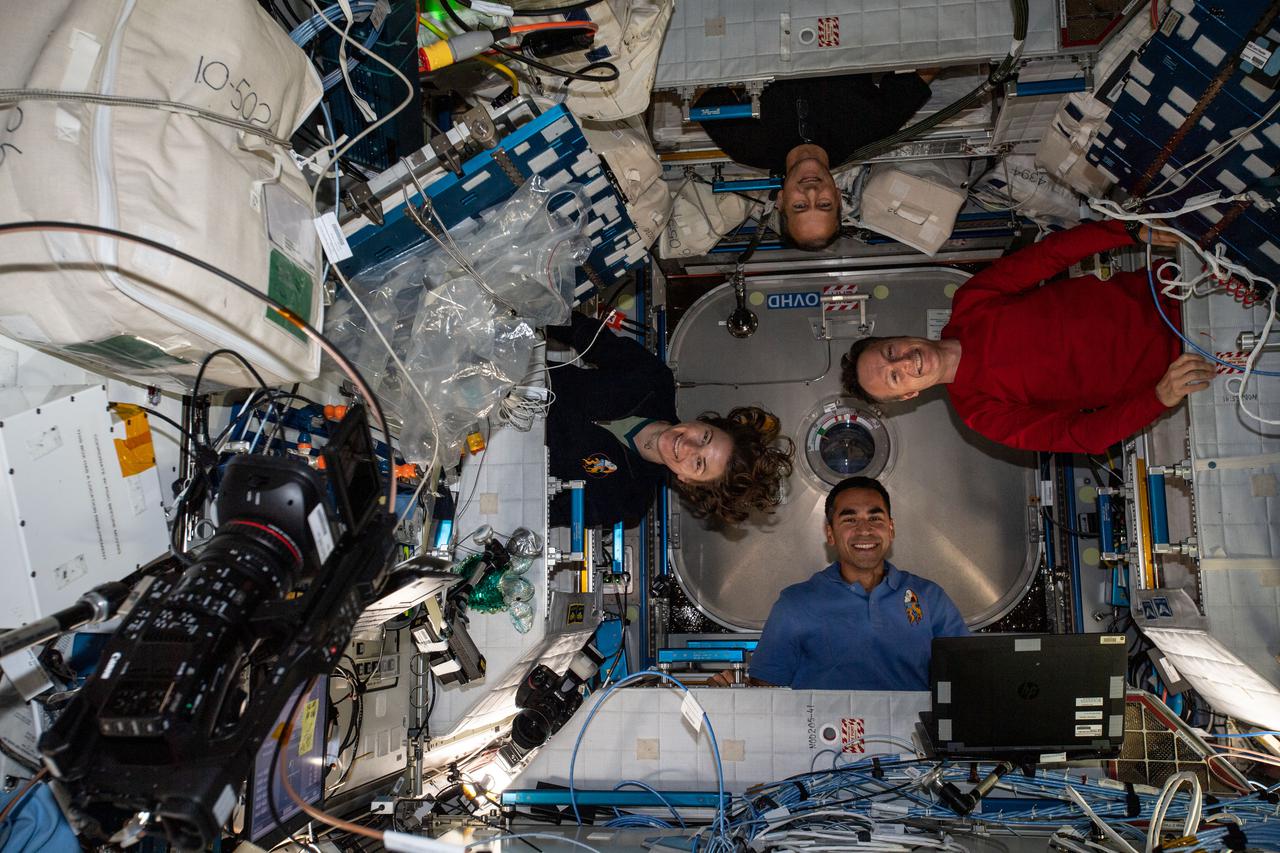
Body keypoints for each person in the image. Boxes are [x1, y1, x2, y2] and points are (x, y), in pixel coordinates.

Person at [840, 220, 1216, 454]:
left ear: (901, 336)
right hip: (1186, 362)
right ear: (908, 395)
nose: (905, 363)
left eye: (891, 352)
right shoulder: (981, 414)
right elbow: (1081, 435)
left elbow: (1050, 255)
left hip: (1172, 285)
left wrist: (1128, 230)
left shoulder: (972, 302)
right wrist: (1158, 398)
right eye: (895, 377)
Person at [710, 476, 967, 690]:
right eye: (849, 519)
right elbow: (766, 693)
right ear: (830, 534)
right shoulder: (796, 604)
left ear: (891, 529)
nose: (864, 529)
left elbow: (968, 679)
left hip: (917, 747)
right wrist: (727, 695)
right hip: (822, 747)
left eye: (875, 518)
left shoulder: (930, 598)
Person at [546, 311, 794, 528]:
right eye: (704, 437)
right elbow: (582, 332)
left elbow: (545, 508)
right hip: (516, 378)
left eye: (699, 464)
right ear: (706, 422)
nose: (688, 446)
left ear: (688, 482)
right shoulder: (653, 380)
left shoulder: (627, 499)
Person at [691, 70, 938, 250]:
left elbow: (701, 91)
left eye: (800, 206)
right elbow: (927, 67)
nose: (811, 191)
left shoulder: (747, 146)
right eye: (824, 204)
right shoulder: (870, 131)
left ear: (781, 200)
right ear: (838, 196)